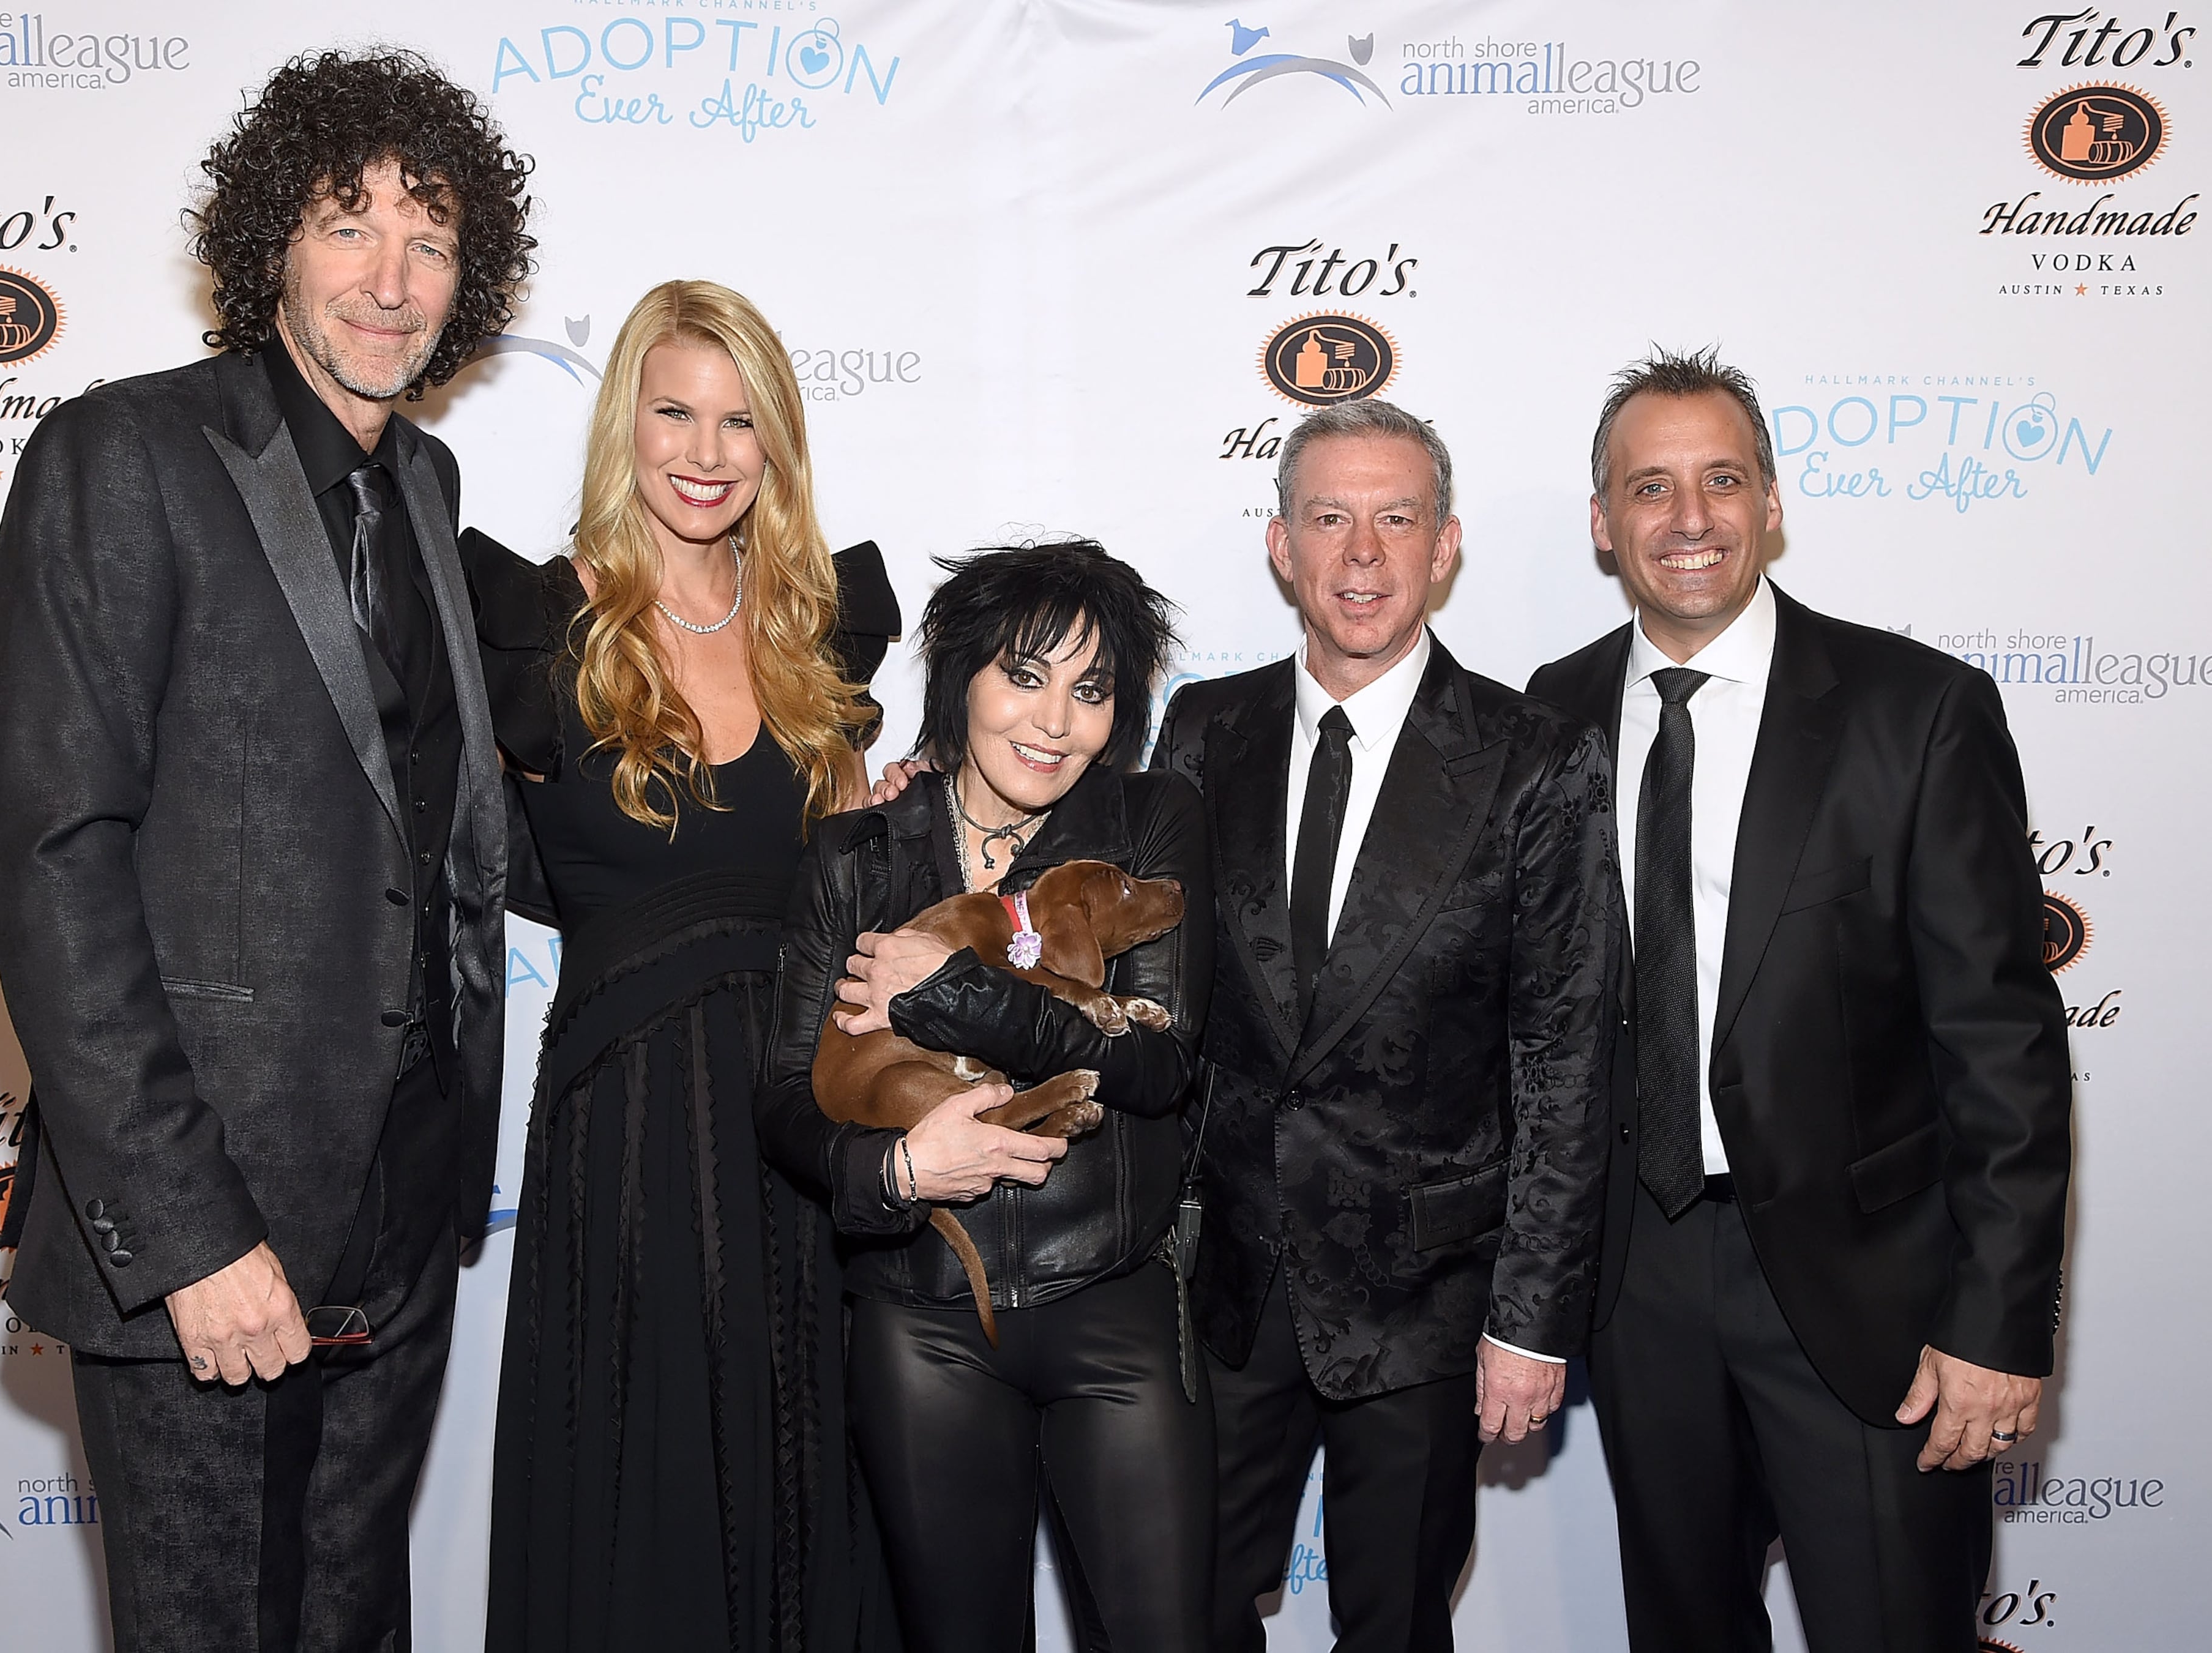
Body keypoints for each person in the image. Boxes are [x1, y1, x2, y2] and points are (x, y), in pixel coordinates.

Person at [0, 50, 534, 1652]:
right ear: (267, 245)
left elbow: (424, 824)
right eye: (345, 224)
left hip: (404, 1210)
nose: (390, 275)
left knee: (352, 1624)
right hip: (211, 1223)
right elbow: (56, 857)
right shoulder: (123, 454)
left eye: (429, 238)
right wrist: (192, 1235)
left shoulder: (424, 482)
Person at [1526, 348, 2072, 1652]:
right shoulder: (1551, 713)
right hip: (1636, 1277)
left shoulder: (1918, 709)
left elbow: (2000, 1040)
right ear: (1604, 526)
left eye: (1722, 478)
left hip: (1870, 1287)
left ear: (1773, 503)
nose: (1690, 518)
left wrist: (1998, 1324)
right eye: (1648, 488)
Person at [464, 280, 902, 1653]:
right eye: (675, 412)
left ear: (776, 444)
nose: (706, 452)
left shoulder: (817, 637)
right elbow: (452, 860)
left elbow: (837, 887)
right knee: (637, 1483)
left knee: (807, 1462)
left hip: (797, 1118)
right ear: (625, 425)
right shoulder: (535, 628)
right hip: (628, 1128)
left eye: (739, 421)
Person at [1149, 397, 1618, 1653]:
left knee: (1397, 1626)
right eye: (1331, 518)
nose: (1363, 553)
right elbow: (1148, 986)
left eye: (1395, 518)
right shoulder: (1203, 728)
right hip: (1227, 1286)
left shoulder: (1534, 755)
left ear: (1445, 545)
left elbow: (1566, 1056)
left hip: (1428, 1295)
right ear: (1280, 544)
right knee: (1177, 1610)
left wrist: (1529, 1318)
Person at [759, 542, 1214, 1653]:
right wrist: (899, 1172)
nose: (1055, 721)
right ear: (960, 676)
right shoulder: (857, 852)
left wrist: (952, 992)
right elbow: (783, 1096)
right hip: (921, 1323)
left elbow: (1159, 1064)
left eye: (1092, 689)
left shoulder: (1148, 825)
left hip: (1113, 1309)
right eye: (1025, 675)